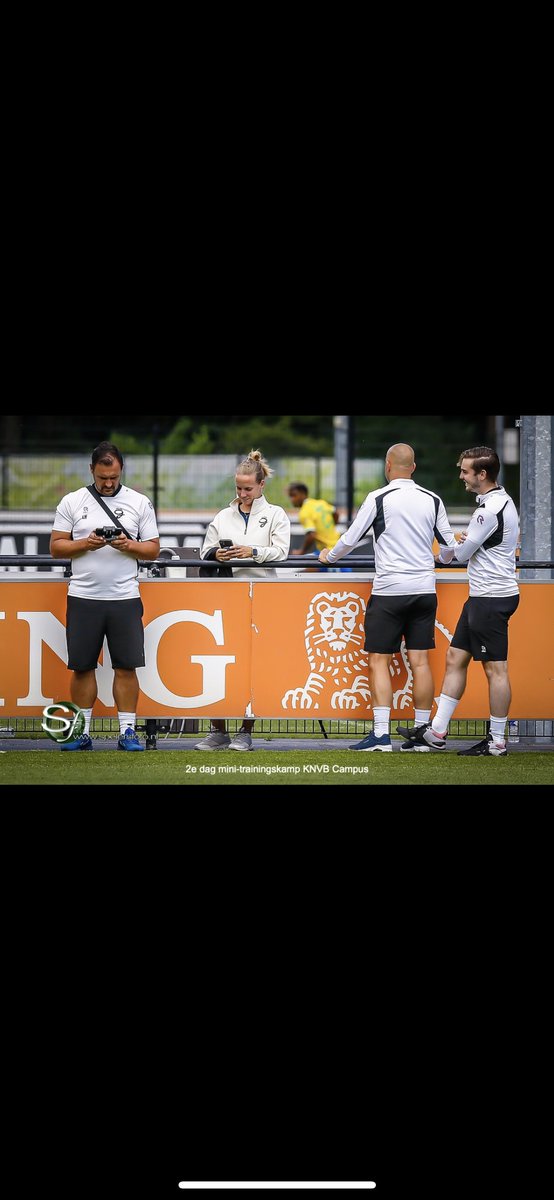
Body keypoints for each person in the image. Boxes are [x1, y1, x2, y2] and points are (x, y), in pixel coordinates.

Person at [319, 443, 458, 751]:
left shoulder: (378, 498)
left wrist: (329, 557)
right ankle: (424, 735)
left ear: (387, 466)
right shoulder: (432, 499)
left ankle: (381, 735)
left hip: (390, 591)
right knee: (420, 662)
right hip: (424, 589)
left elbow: (351, 538)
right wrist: (439, 558)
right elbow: (449, 550)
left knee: (378, 661)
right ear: (414, 467)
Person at [397, 446, 520, 757]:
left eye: (466, 471)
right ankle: (437, 732)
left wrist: (450, 548)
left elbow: (459, 556)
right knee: (455, 658)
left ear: (482, 474)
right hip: (485, 596)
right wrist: (462, 542)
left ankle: (497, 742)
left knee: (496, 671)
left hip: (490, 598)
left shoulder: (487, 510)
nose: (461, 476)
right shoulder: (500, 502)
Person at [50, 441, 160, 750]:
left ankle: (127, 732)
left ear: (121, 470)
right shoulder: (72, 501)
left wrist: (129, 545)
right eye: (102, 478)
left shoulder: (140, 502)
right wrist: (85, 543)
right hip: (83, 596)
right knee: (83, 666)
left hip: (125, 596)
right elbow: (57, 546)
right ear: (92, 471)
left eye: (113, 477)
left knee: (126, 666)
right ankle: (81, 733)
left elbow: (152, 549)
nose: (108, 484)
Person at [195, 449, 290, 751]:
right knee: (220, 664)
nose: (243, 493)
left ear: (262, 485)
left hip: (262, 598)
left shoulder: (276, 514)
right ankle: (218, 730)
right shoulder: (223, 515)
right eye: (238, 487)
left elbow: (282, 552)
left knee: (253, 667)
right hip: (226, 597)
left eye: (248, 488)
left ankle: (245, 732)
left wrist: (253, 552)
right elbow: (204, 551)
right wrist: (217, 554)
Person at [287, 482, 341, 565]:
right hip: (339, 546)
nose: (292, 499)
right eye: (290, 496)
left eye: (294, 495)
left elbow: (311, 535)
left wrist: (301, 552)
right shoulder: (321, 503)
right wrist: (330, 527)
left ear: (303, 494)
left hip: (328, 553)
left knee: (305, 573)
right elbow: (336, 513)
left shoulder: (304, 512)